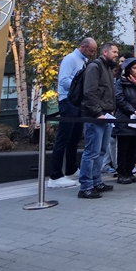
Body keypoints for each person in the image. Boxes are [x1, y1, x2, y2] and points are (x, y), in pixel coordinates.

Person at [48, 37, 96, 189]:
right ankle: (55, 175)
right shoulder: (70, 59)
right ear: (83, 47)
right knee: (63, 137)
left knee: (74, 137)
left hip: (76, 102)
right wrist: (81, 87)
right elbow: (63, 80)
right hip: (67, 101)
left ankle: (70, 168)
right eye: (91, 51)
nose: (92, 54)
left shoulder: (82, 61)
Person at [78, 42, 119, 199]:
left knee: (101, 151)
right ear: (104, 52)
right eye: (114, 51)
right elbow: (89, 92)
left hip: (106, 114)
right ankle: (86, 186)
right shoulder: (95, 67)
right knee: (91, 152)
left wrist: (110, 110)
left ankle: (96, 182)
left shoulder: (107, 68)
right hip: (96, 116)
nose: (116, 54)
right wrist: (97, 113)